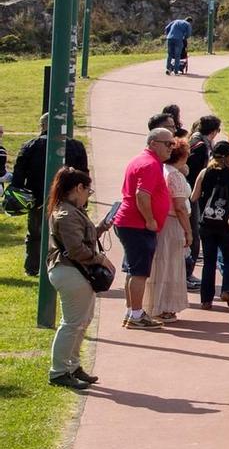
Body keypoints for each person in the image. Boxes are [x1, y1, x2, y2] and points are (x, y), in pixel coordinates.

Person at [44, 165, 112, 389]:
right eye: (87, 191)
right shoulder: (66, 213)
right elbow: (76, 250)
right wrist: (99, 258)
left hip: (73, 271)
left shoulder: (70, 210)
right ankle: (59, 371)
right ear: (78, 187)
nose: (87, 196)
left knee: (81, 322)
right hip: (69, 271)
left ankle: (72, 365)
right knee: (72, 324)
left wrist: (101, 228)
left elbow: (82, 240)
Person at [113, 121, 174, 330]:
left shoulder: (144, 161)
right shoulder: (149, 164)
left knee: (133, 269)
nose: (171, 148)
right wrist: (150, 220)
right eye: (168, 144)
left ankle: (133, 311)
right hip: (137, 225)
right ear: (154, 143)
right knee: (139, 271)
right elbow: (142, 195)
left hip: (130, 223)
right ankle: (136, 315)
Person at [14, 116, 89, 278]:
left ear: (43, 126)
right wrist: (84, 200)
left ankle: (32, 267)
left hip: (37, 198)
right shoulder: (76, 146)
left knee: (35, 234)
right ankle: (65, 264)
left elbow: (18, 175)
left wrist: (20, 193)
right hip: (69, 200)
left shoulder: (30, 146)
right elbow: (84, 174)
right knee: (68, 234)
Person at [194, 135, 229, 308]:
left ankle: (206, 299)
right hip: (227, 223)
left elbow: (194, 196)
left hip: (207, 223)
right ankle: (227, 290)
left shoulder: (204, 173)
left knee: (208, 261)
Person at [144, 138, 194, 321]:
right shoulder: (175, 175)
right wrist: (188, 231)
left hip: (163, 221)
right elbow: (180, 206)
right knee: (170, 265)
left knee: (160, 263)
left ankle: (154, 304)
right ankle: (165, 306)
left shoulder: (164, 170)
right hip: (173, 223)